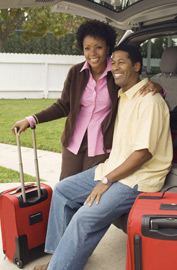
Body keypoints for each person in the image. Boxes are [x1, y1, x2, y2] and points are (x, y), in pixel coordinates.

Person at [33, 45, 172, 270]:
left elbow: (143, 153)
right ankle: (60, 259)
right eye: (113, 62)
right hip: (115, 167)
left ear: (137, 66)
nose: (115, 67)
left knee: (83, 218)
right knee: (62, 191)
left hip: (138, 179)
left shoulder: (150, 101)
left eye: (121, 62)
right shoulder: (123, 95)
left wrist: (106, 181)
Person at [12, 20, 163, 180]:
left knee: (89, 189)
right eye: (87, 48)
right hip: (73, 142)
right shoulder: (75, 72)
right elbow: (63, 106)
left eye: (98, 47)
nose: (93, 53)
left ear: (108, 48)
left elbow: (136, 86)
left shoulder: (117, 71)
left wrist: (159, 88)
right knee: (65, 186)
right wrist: (31, 120)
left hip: (102, 145)